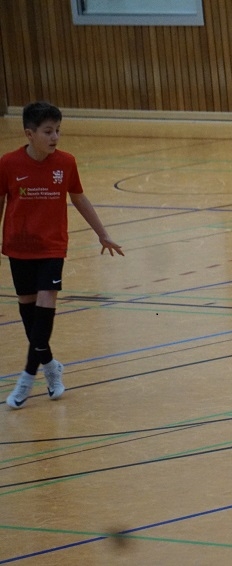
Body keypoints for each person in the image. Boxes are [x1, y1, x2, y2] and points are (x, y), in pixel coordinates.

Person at [2, 101, 125, 409]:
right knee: (30, 315)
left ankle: (27, 378)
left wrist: (103, 233)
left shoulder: (66, 162)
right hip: (19, 246)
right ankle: (50, 365)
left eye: (57, 130)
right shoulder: (8, 164)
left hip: (52, 246)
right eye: (48, 132)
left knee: (45, 305)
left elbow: (79, 197)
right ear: (29, 134)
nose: (55, 137)